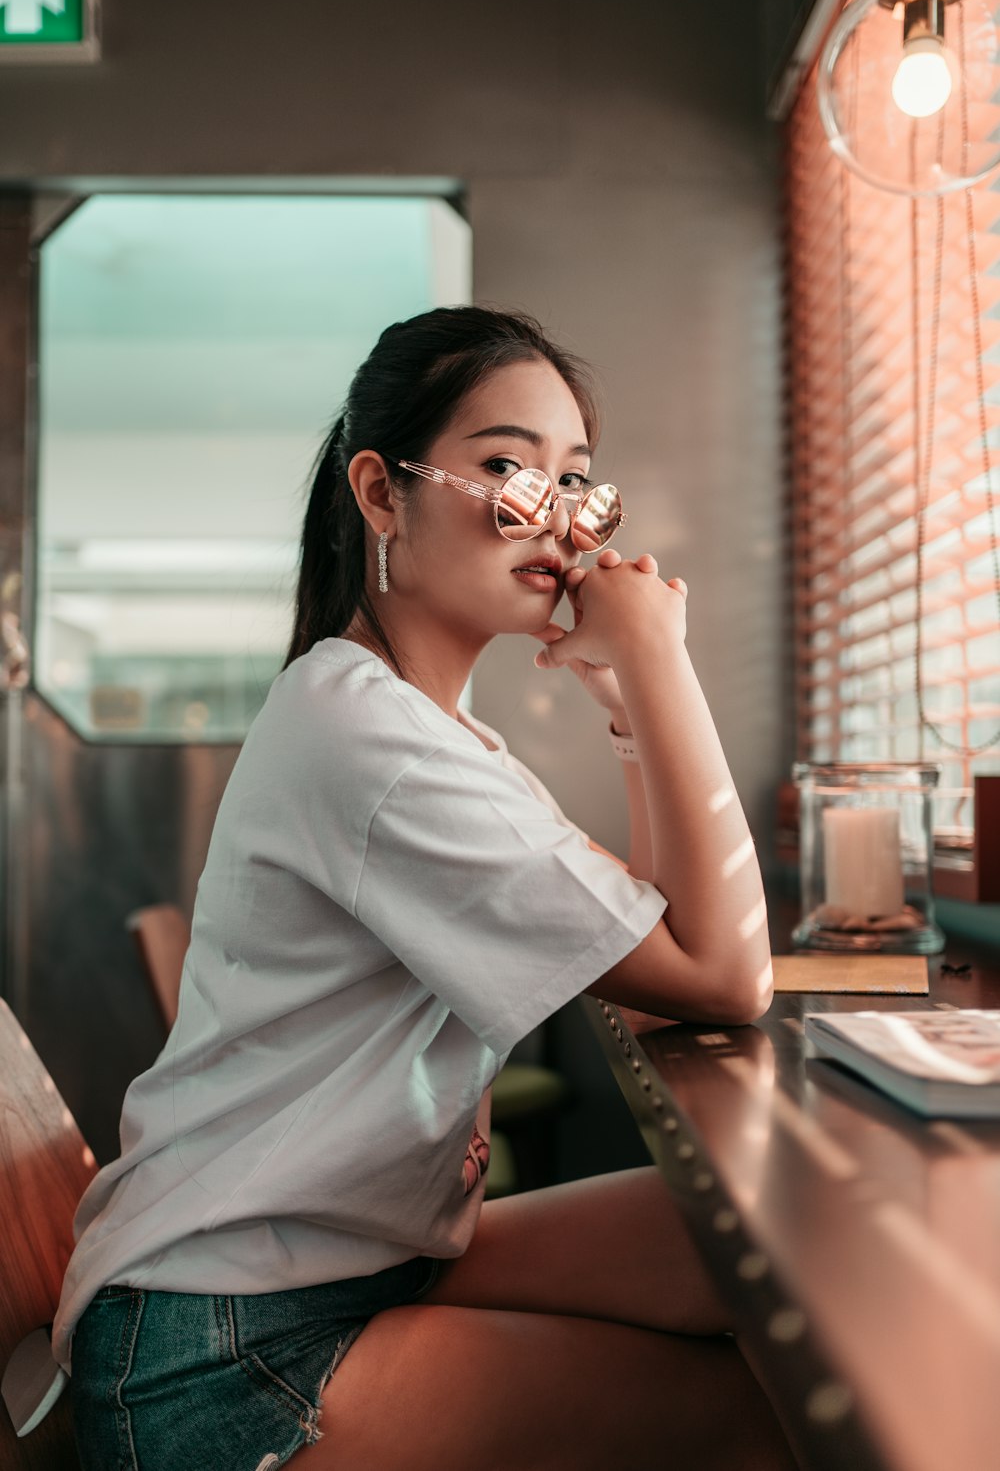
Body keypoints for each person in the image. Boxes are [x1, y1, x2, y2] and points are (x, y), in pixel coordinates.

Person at [54, 306, 792, 1471]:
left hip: (338, 1265)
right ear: (380, 492)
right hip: (215, 1352)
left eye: (574, 483)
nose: (551, 520)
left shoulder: (421, 731)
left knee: (765, 1245)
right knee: (750, 1419)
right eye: (505, 468)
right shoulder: (371, 740)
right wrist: (657, 658)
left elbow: (660, 967)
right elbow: (723, 977)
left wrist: (626, 709)